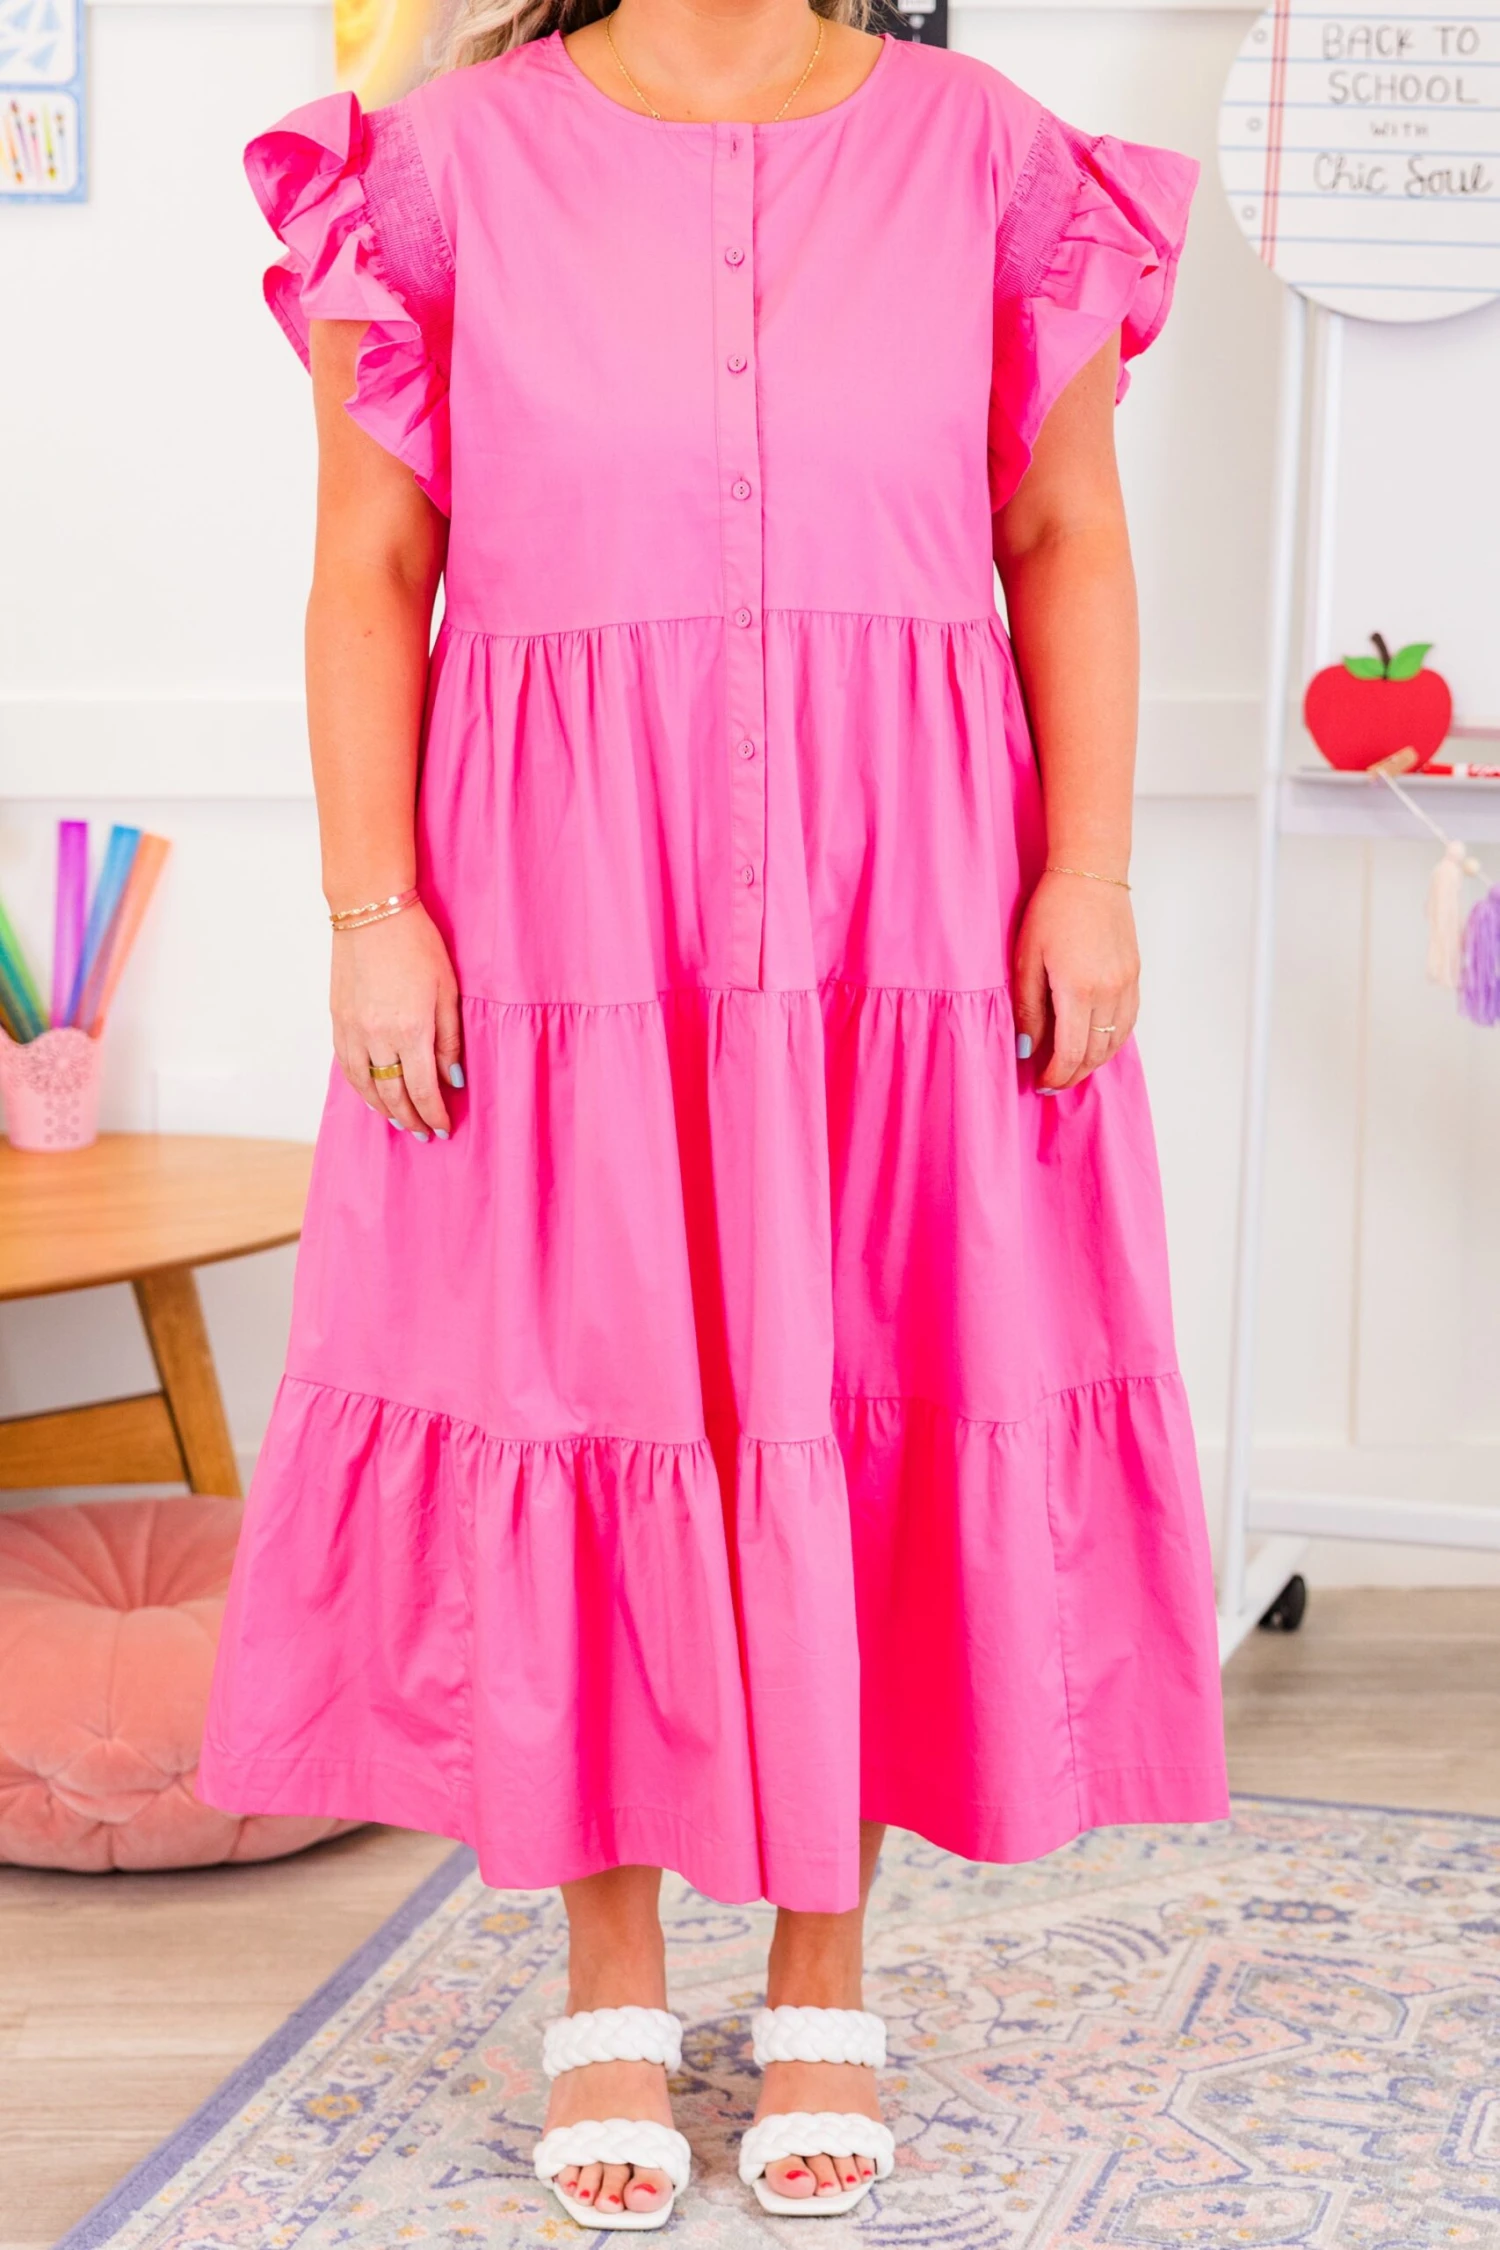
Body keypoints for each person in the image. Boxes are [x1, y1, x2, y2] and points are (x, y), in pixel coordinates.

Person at [198, 0, 1229, 2225]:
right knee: (598, 1399)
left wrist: (1090, 869)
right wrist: (373, 910)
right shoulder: (441, 168)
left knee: (856, 1395)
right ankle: (610, 1973)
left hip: (908, 894)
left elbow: (1065, 532)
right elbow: (372, 566)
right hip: (565, 904)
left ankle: (827, 1964)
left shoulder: (987, 154)